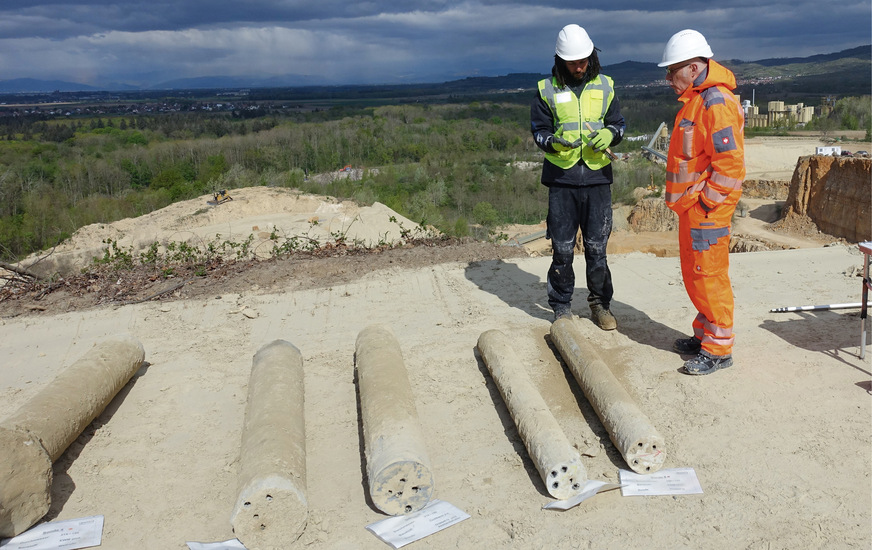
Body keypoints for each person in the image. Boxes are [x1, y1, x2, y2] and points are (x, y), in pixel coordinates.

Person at [658, 29, 745, 375]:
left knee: (709, 277)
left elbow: (730, 165)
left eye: (672, 70)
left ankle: (719, 349)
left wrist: (706, 205)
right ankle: (705, 333)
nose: (668, 78)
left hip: (706, 211)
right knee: (695, 277)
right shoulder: (696, 100)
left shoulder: (716, 103)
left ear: (693, 68)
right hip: (693, 210)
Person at [530, 24, 625, 329]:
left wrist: (610, 135)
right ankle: (561, 307)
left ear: (592, 57)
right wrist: (552, 142)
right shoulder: (546, 89)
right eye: (573, 62)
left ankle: (600, 306)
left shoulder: (606, 86)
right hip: (562, 180)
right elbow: (539, 132)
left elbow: (619, 125)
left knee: (597, 249)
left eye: (584, 61)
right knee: (562, 249)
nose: (580, 67)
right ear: (560, 61)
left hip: (597, 179)